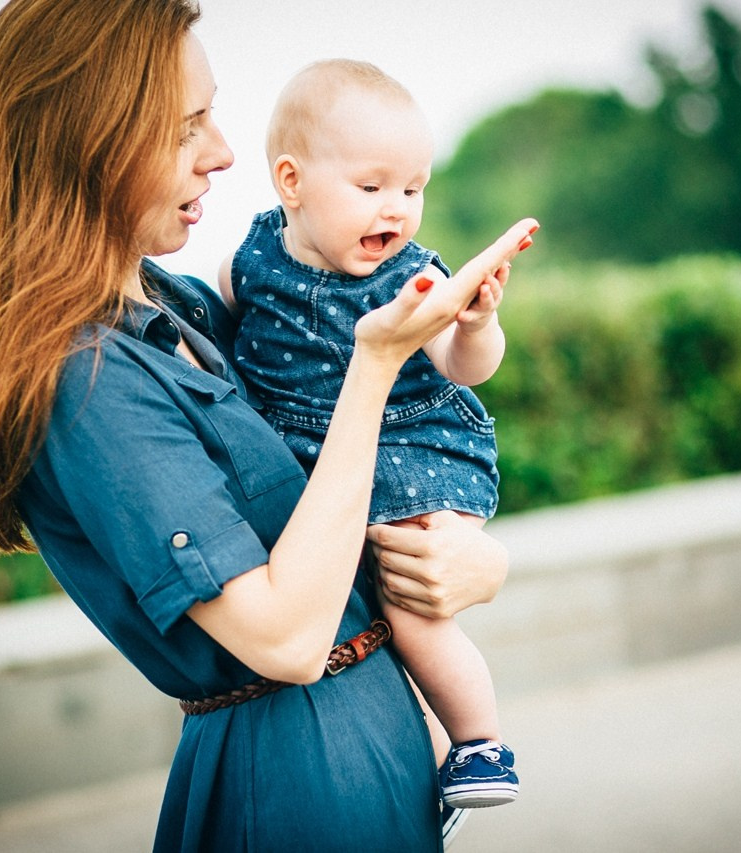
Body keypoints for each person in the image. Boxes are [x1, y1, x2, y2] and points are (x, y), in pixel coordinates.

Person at [0, 0, 538, 850]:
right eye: (186, 127)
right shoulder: (84, 378)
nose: (220, 153)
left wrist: (476, 560)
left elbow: (335, 511)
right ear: (87, 143)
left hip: (371, 749)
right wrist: (375, 363)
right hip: (294, 784)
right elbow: (285, 637)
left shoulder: (181, 308)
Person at [220, 59, 525, 810]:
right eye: (371, 187)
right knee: (352, 613)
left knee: (410, 605)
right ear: (290, 182)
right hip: (314, 453)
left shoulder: (410, 278)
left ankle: (480, 741)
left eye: (413, 189)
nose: (396, 208)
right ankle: (410, 763)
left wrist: (478, 323)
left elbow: (464, 366)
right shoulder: (250, 261)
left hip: (412, 446)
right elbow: (232, 326)